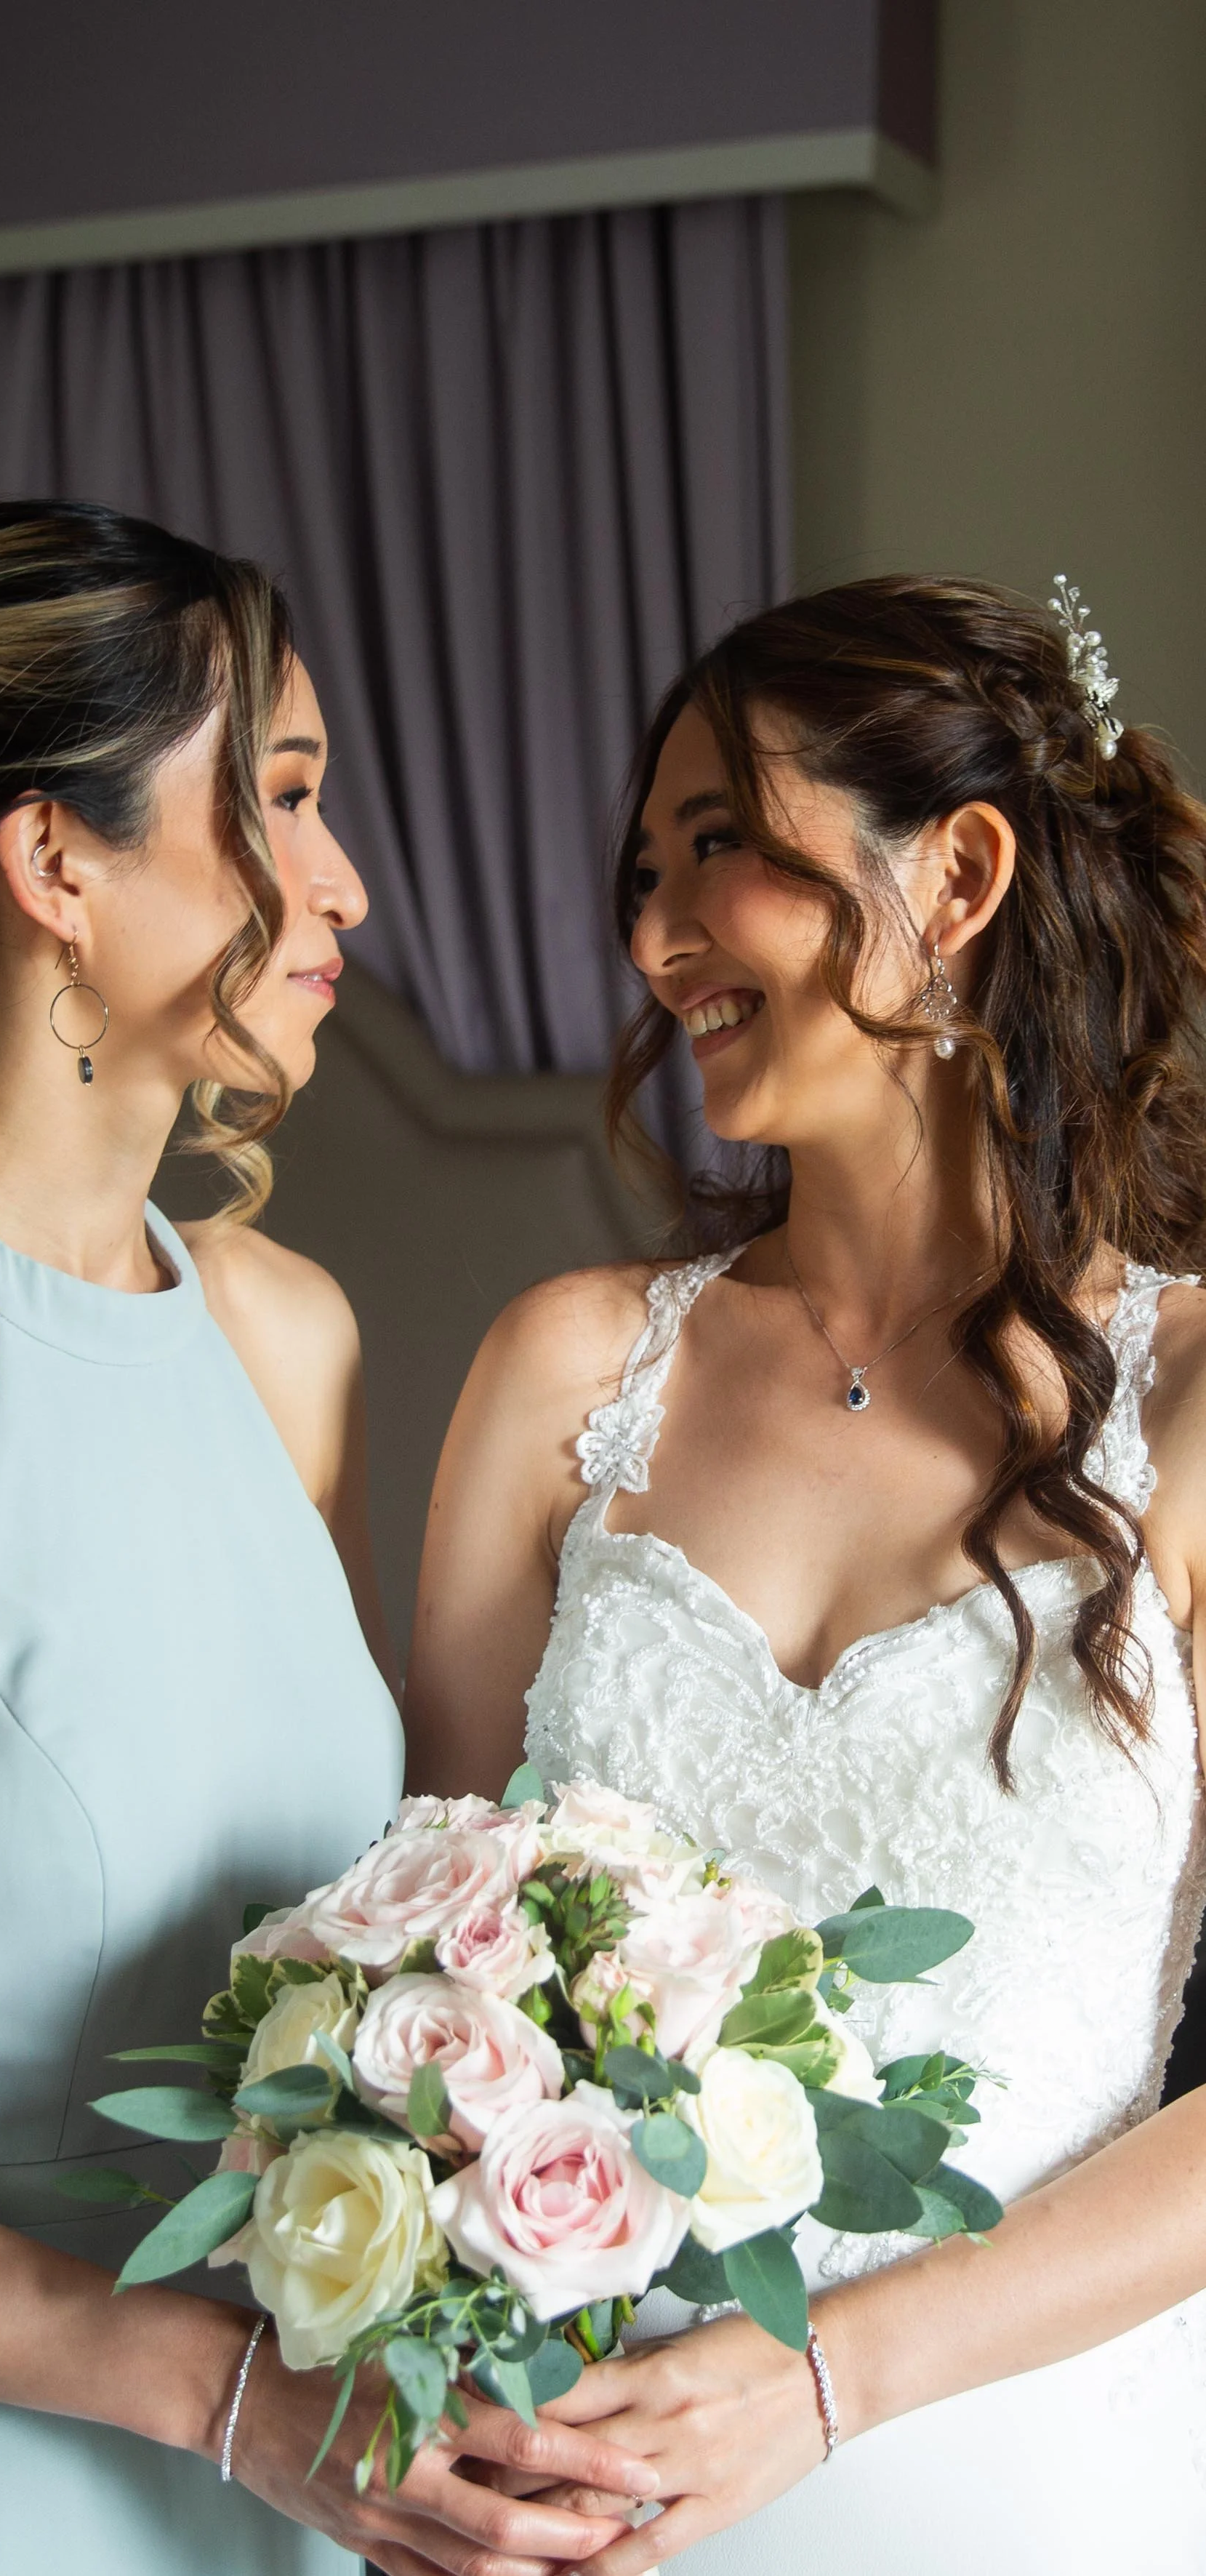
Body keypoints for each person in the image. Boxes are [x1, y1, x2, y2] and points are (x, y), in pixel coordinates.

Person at [0, 500, 654, 2576]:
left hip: (297, 2506)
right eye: (282, 794)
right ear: (54, 860)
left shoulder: (285, 1335)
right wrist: (206, 2388)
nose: (343, 880)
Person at [405, 575, 1206, 2572]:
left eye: (722, 852)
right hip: (590, 2501)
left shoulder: (1192, 1398)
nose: (659, 936)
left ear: (958, 877)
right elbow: (431, 1973)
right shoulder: (566, 1371)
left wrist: (828, 2373)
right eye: (645, 869)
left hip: (1030, 2489)